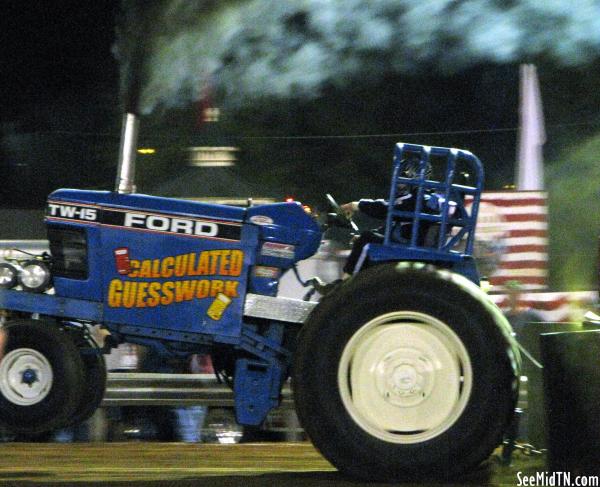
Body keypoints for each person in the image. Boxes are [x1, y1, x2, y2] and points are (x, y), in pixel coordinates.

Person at [340, 158, 439, 276]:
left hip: (409, 246)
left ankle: (347, 286)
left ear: (414, 177)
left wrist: (357, 205)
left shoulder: (420, 199)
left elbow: (386, 208)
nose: (399, 182)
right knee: (366, 238)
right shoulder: (417, 198)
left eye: (403, 176)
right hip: (405, 241)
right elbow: (395, 225)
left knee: (366, 241)